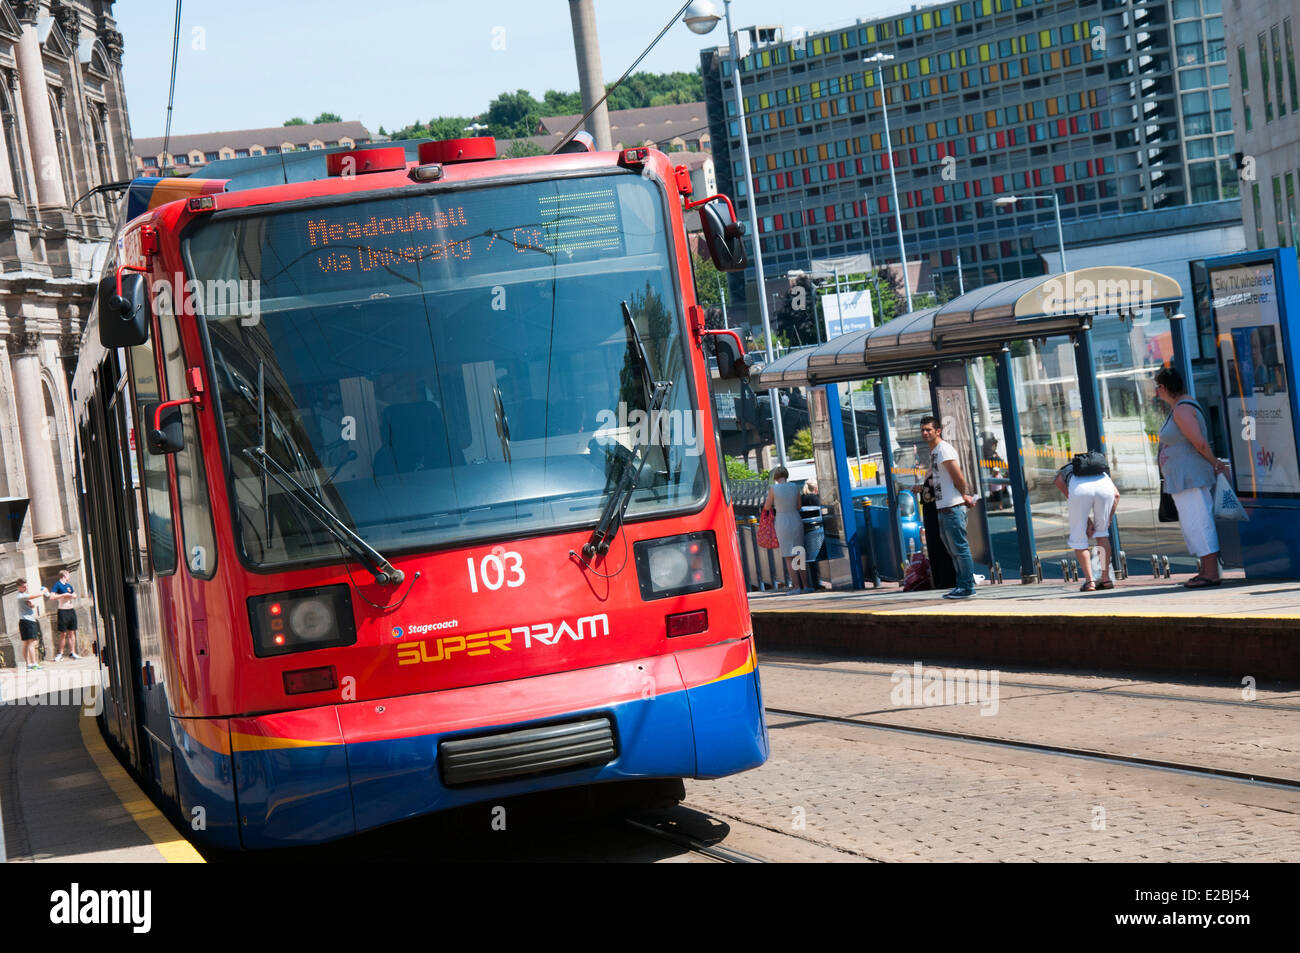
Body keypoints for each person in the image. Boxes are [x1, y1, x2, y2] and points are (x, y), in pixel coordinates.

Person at [1154, 366, 1229, 588]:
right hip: (1182, 478)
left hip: (1190, 477)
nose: (1156, 392)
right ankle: (1206, 570)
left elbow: (1199, 443)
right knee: (1192, 523)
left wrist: (1215, 462)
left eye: (1158, 387)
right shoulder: (1179, 408)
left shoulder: (1182, 410)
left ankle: (1211, 573)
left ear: (1165, 388)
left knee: (1199, 522)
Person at [915, 415, 977, 599]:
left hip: (952, 508)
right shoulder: (935, 452)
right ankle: (961, 585)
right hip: (943, 508)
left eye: (928, 430)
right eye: (922, 430)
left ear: (938, 431)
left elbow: (958, 477)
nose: (925, 433)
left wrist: (962, 495)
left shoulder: (943, 450)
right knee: (953, 551)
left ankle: (967, 587)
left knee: (960, 549)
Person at [1053, 455, 1120, 591]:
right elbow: (1116, 496)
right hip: (1104, 490)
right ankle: (1106, 579)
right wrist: (1108, 519)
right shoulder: (1101, 471)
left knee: (1079, 539)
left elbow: (1061, 485)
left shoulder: (1066, 470)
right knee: (1102, 535)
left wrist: (1086, 522)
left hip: (1079, 490)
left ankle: (1090, 582)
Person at [762, 466, 808, 592]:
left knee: (789, 555)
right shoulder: (795, 487)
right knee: (799, 553)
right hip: (795, 518)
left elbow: (766, 507)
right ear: (786, 475)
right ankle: (806, 586)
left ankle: (796, 586)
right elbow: (799, 506)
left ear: (775, 477)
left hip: (782, 521)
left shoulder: (774, 488)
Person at [15, 578, 48, 671]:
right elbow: (37, 595)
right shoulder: (20, 596)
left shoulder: (23, 595)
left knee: (26, 643)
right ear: (19, 587)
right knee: (32, 643)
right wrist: (44, 591)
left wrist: (30, 606)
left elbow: (28, 604)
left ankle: (29, 664)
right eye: (23, 586)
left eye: (26, 586)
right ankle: (34, 664)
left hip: (25, 621)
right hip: (28, 622)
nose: (25, 587)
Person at [49, 569, 80, 660]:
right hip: (63, 611)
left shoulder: (69, 585)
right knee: (63, 633)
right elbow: (52, 596)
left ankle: (72, 652)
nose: (69, 577)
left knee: (72, 632)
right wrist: (63, 595)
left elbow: (74, 595)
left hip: (71, 611)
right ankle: (60, 654)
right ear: (64, 575)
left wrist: (69, 595)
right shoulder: (57, 585)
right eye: (68, 575)